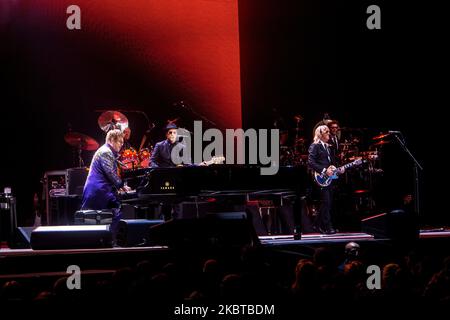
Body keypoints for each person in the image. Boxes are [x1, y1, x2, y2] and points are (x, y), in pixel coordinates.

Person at [81, 129, 131, 242]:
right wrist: (122, 185)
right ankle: (109, 240)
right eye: (120, 142)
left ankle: (104, 239)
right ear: (112, 140)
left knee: (96, 219)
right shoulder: (105, 152)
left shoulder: (106, 151)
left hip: (99, 190)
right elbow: (111, 173)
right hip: (98, 191)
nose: (122, 145)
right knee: (116, 209)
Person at [307, 125, 344, 234]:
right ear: (320, 134)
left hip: (329, 178)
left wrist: (338, 169)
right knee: (326, 202)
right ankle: (328, 227)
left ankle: (317, 225)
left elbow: (331, 165)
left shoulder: (328, 147)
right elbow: (310, 162)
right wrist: (323, 170)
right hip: (320, 178)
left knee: (327, 202)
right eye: (327, 132)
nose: (329, 134)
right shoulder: (315, 146)